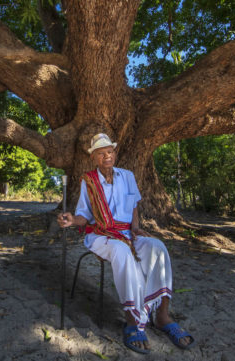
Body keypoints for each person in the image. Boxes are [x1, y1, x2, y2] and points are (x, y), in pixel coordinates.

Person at [57, 133, 195, 354]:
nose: (107, 156)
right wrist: (72, 219)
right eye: (101, 153)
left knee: (158, 247)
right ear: (94, 157)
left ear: (115, 153)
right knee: (122, 251)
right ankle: (132, 320)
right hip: (101, 236)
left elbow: (133, 206)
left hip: (128, 234)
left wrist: (136, 227)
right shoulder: (89, 181)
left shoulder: (128, 176)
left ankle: (162, 315)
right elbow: (84, 215)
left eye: (110, 152)